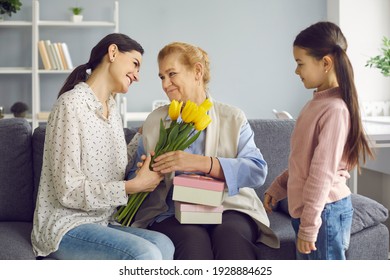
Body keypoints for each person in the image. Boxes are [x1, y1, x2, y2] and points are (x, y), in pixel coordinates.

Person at [128, 41, 279, 260]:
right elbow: (133, 177)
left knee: (231, 238)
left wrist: (199, 163)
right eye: (161, 77)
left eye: (172, 74)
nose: (165, 84)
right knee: (192, 242)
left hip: (228, 207)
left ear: (197, 71)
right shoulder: (155, 121)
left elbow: (257, 171)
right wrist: (144, 174)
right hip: (172, 212)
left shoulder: (233, 117)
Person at [31, 33, 174, 260]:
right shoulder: (70, 105)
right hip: (66, 224)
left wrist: (143, 136)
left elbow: (112, 167)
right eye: (135, 64)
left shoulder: (112, 108)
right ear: (113, 52)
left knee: (164, 245)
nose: (137, 76)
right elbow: (68, 190)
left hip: (103, 221)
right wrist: (131, 187)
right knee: (146, 255)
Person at [264, 21, 374, 260]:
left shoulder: (334, 110)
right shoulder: (317, 103)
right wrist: (279, 186)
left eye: (300, 63)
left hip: (325, 212)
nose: (296, 71)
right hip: (313, 211)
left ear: (325, 63)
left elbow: (322, 173)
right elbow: (304, 162)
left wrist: (309, 226)